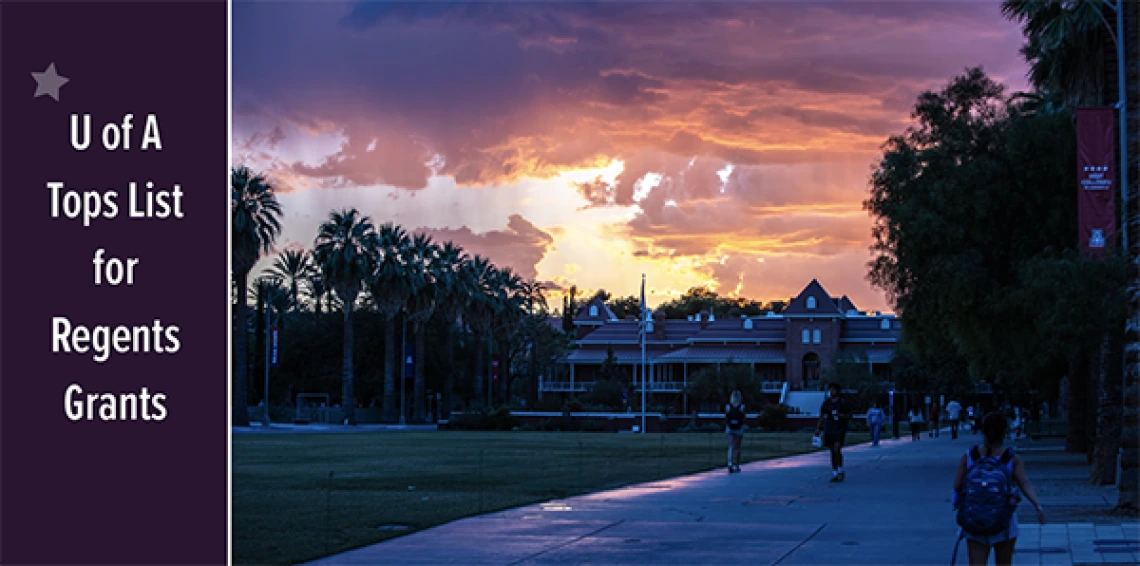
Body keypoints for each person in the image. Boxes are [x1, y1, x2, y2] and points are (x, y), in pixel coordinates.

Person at [952, 413, 1045, 566]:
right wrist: (1037, 505)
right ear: (1005, 431)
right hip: (1004, 520)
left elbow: (957, 485)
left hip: (974, 519)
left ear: (982, 431)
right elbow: (1024, 483)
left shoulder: (969, 456)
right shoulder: (1012, 458)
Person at [815, 383, 852, 482]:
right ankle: (835, 472)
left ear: (837, 391)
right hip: (829, 429)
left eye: (834, 390)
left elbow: (849, 416)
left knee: (837, 449)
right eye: (830, 390)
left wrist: (840, 415)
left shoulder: (843, 402)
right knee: (832, 451)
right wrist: (818, 428)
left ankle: (840, 469)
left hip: (840, 429)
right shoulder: (827, 403)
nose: (832, 392)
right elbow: (822, 415)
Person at [725, 390, 746, 473]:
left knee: (731, 446)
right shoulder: (742, 407)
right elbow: (744, 417)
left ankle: (730, 463)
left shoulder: (728, 406)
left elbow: (726, 417)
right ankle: (737, 465)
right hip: (739, 428)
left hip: (730, 428)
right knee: (738, 447)